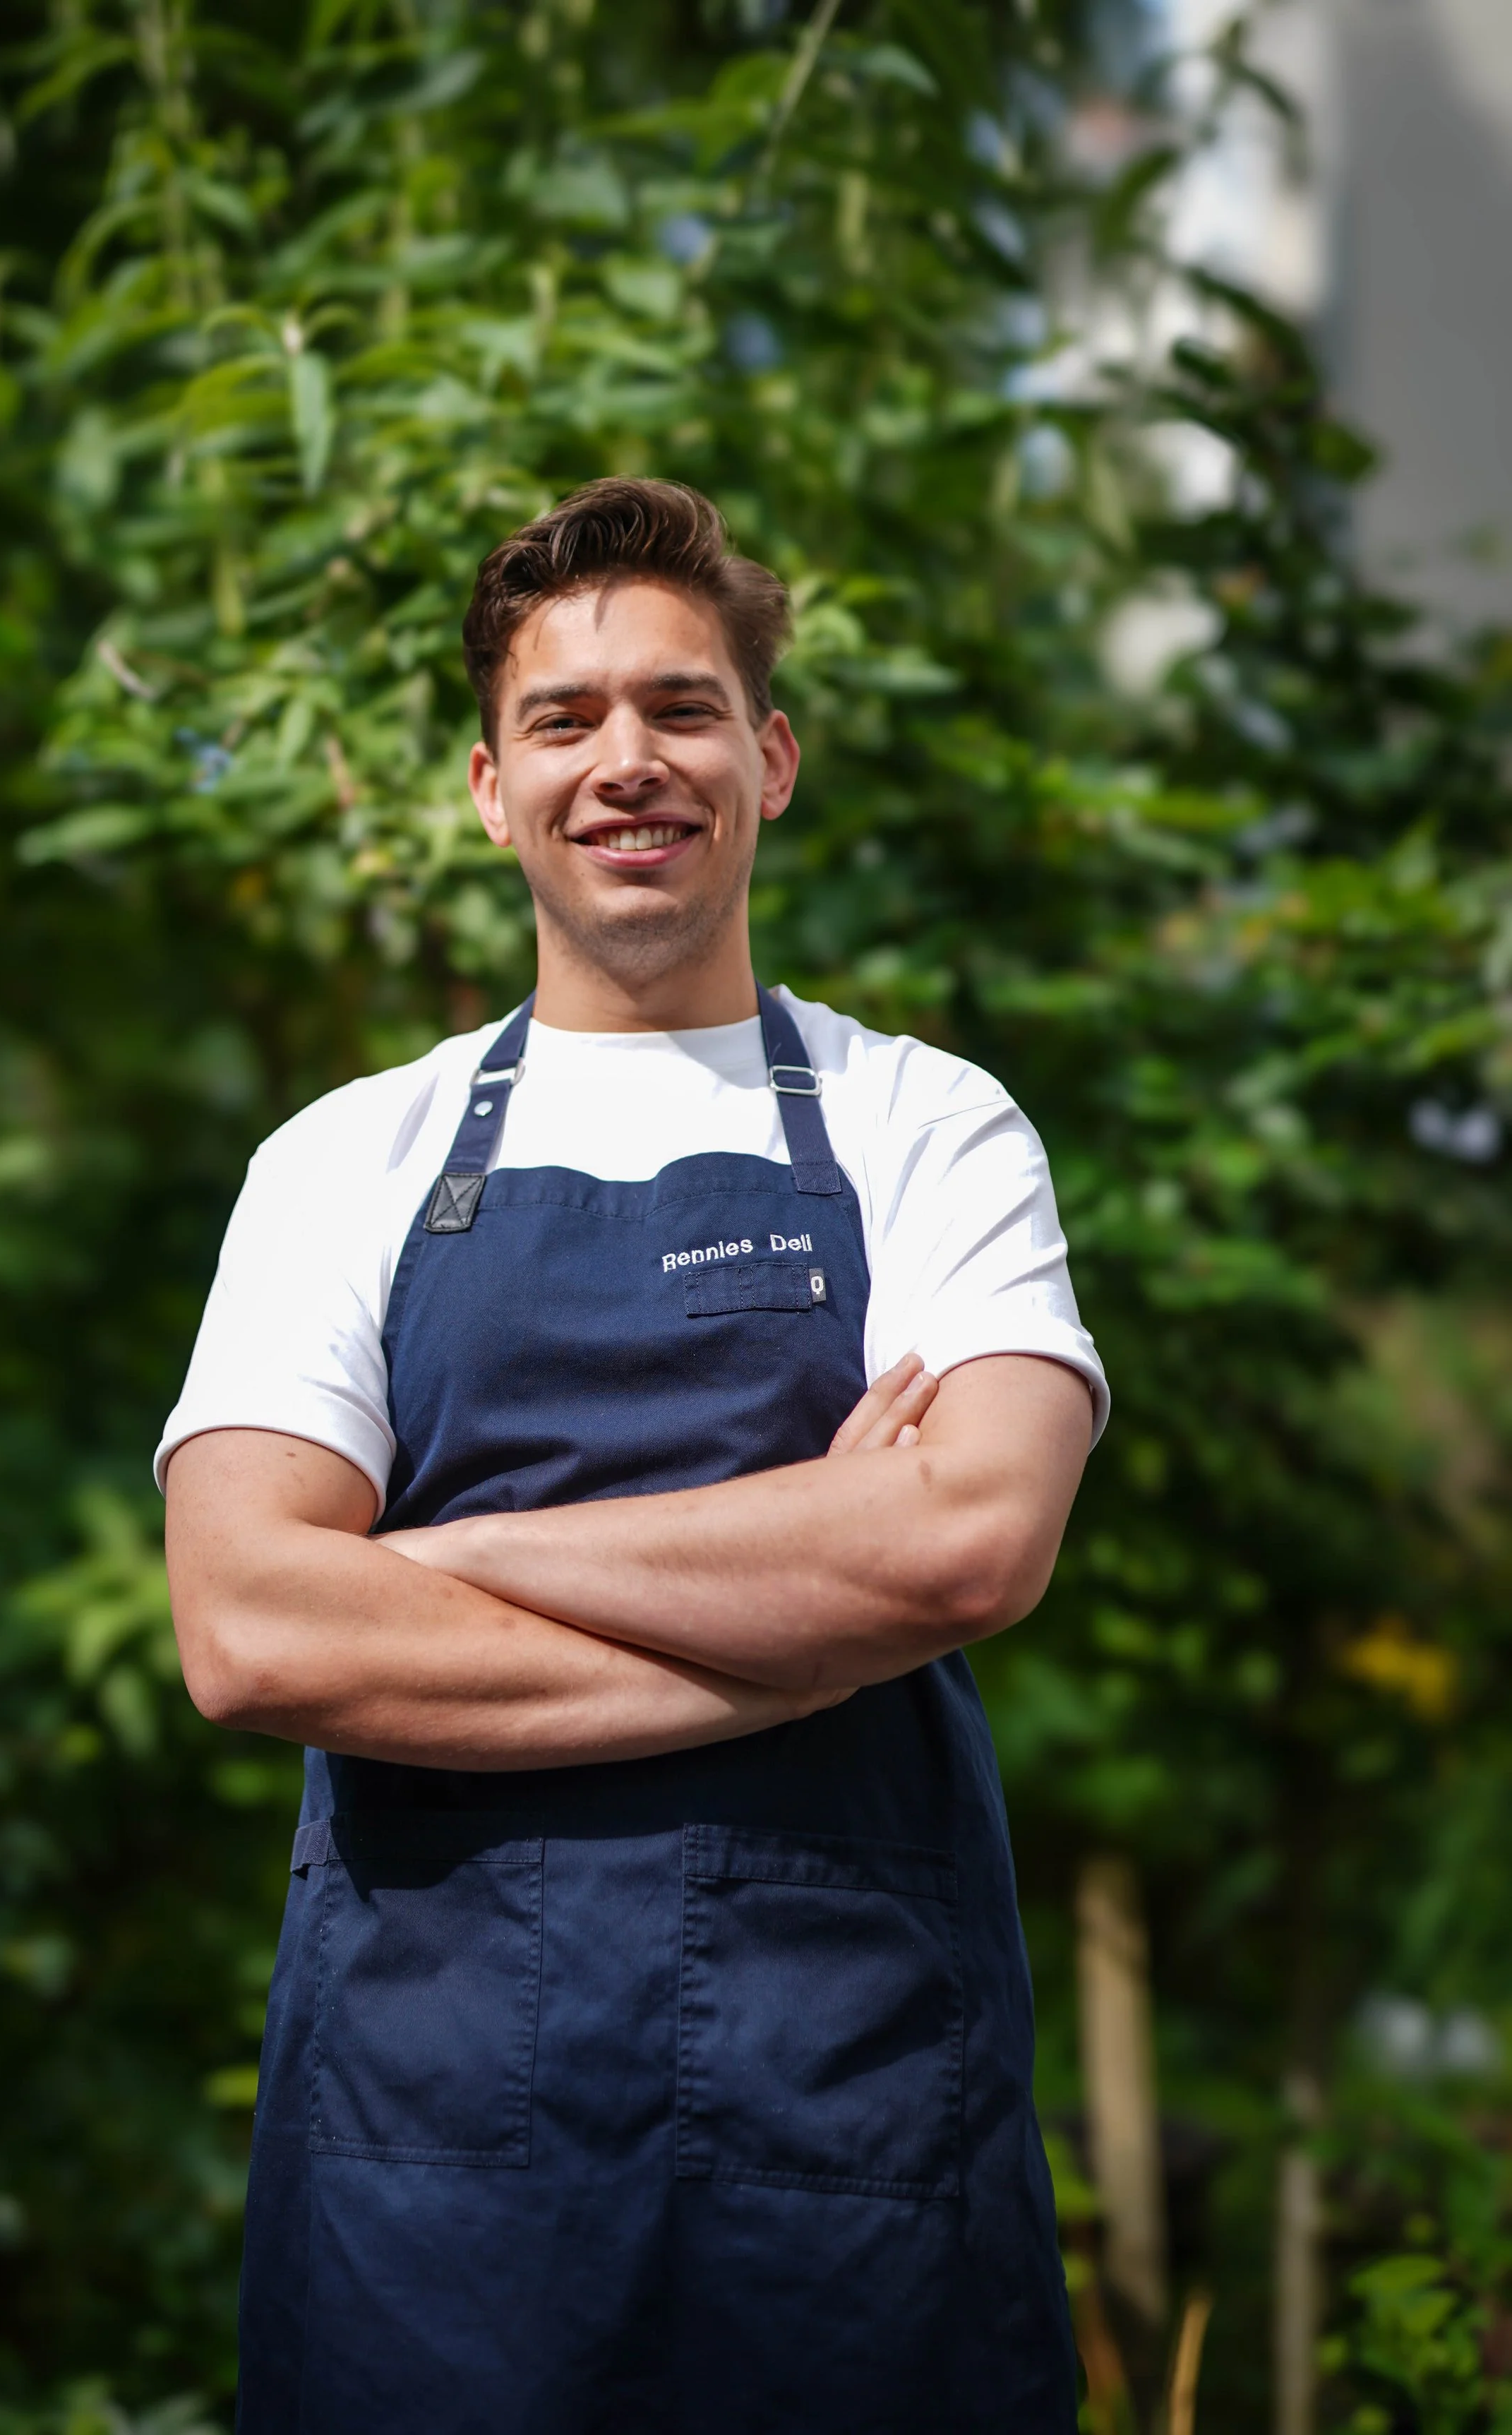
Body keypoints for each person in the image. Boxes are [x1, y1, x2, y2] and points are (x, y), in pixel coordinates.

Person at [160, 477, 1108, 2434]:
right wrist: (808, 1597)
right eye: (564, 721)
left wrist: (423, 1560)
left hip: (846, 2127)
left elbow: (966, 1546)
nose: (628, 762)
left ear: (766, 757)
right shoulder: (347, 1156)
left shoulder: (930, 1124)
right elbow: (251, 1630)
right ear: (491, 789)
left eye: (679, 709)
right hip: (430, 2176)